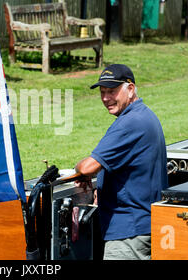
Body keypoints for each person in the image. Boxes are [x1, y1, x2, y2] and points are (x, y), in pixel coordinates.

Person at [74, 64, 168, 260]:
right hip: (145, 224)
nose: (106, 98)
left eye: (112, 91)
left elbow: (87, 167)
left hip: (128, 232)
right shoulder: (145, 115)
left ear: (131, 89)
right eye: (102, 92)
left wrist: (80, 170)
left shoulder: (129, 123)